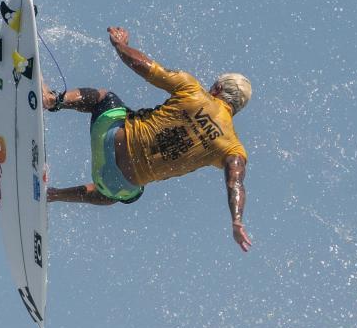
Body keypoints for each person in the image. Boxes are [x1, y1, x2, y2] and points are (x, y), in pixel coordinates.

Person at [44, 27, 254, 252]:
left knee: (105, 97)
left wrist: (120, 45)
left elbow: (142, 66)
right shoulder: (232, 147)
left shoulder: (193, 91)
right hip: (116, 182)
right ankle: (53, 195)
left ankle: (51, 100)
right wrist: (237, 220)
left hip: (109, 138)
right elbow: (236, 183)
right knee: (127, 194)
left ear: (218, 88)